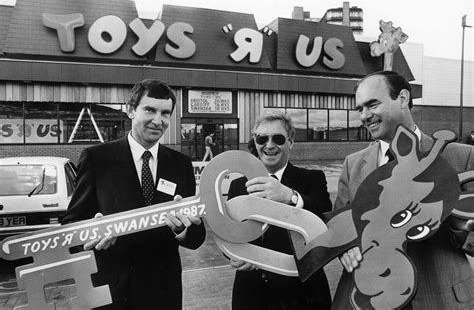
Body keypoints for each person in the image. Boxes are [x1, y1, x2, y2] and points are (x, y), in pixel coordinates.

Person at [333, 71, 474, 309]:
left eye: (372, 104)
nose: (365, 116)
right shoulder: (353, 164)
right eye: (360, 109)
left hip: (441, 297)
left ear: (402, 98)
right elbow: (341, 227)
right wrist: (345, 248)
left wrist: (464, 232)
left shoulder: (461, 157)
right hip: (371, 297)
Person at [62, 79, 206, 309]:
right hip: (113, 292)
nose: (158, 120)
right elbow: (71, 225)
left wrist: (183, 229)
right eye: (149, 110)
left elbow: (197, 236)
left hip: (163, 293)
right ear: (130, 110)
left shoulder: (181, 164)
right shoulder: (97, 159)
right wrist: (90, 234)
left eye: (165, 113)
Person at [228, 112, 332, 310]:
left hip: (302, 294)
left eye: (278, 138)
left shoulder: (312, 179)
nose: (269, 145)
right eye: (262, 138)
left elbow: (326, 223)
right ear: (255, 142)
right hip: (251, 295)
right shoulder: (238, 185)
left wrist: (291, 197)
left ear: (290, 141)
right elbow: (230, 233)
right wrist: (235, 256)